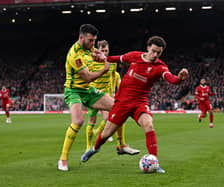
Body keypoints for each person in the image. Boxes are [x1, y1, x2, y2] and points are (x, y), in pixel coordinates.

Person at [80, 36, 189, 173]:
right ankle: (94, 149)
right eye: (154, 51)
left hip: (139, 103)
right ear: (148, 47)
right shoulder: (134, 56)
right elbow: (116, 58)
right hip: (122, 102)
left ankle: (154, 161)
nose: (155, 55)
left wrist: (179, 78)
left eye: (159, 53)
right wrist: (103, 58)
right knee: (106, 134)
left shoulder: (160, 67)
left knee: (148, 124)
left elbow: (171, 79)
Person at [57, 24, 137, 172]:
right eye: (90, 40)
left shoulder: (90, 48)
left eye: (94, 40)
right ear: (81, 38)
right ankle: (63, 158)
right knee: (78, 121)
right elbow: (87, 77)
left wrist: (102, 57)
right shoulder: (75, 54)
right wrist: (104, 68)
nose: (93, 44)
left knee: (119, 108)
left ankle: (121, 145)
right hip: (74, 90)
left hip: (89, 91)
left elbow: (99, 55)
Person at [85, 40, 140, 155]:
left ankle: (120, 144)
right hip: (93, 94)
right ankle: (88, 146)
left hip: (105, 95)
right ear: (98, 50)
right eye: (102, 50)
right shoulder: (91, 62)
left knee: (116, 114)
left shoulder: (112, 63)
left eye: (106, 50)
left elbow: (111, 78)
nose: (104, 53)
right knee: (91, 121)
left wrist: (112, 93)